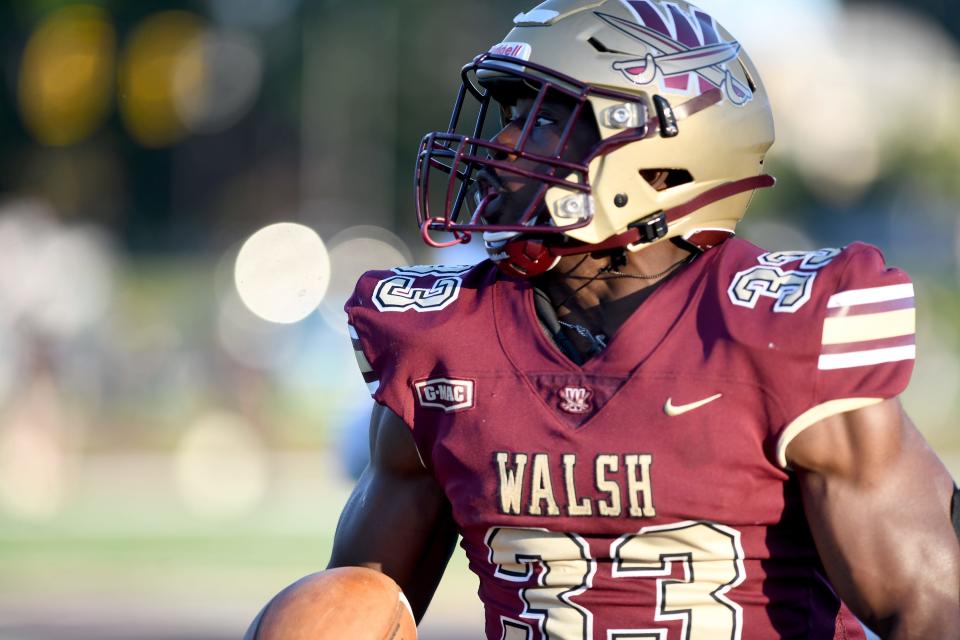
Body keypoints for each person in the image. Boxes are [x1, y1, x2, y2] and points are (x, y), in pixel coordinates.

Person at [265, 1, 960, 638]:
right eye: (508, 113)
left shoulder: (777, 332)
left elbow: (929, 608)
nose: (505, 144)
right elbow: (367, 601)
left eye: (543, 119)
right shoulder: (445, 345)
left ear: (660, 167)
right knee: (329, 609)